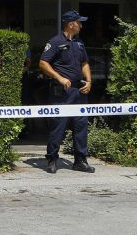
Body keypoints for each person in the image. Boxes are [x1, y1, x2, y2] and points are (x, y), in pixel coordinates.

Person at [38, 9, 95, 173]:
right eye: (79, 23)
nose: (81, 26)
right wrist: (59, 78)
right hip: (61, 91)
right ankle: (52, 159)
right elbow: (43, 63)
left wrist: (89, 81)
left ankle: (80, 160)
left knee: (81, 125)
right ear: (71, 24)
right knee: (58, 125)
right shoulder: (55, 42)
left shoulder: (79, 43)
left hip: (79, 91)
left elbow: (85, 63)